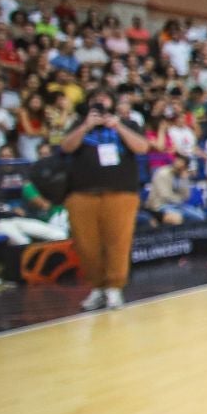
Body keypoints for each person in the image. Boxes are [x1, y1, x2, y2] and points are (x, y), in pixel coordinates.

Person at [60, 87, 149, 311]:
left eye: (105, 98)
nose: (100, 101)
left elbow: (142, 147)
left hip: (121, 193)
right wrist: (86, 126)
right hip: (82, 194)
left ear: (113, 102)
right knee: (86, 245)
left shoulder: (127, 123)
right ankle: (97, 287)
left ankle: (114, 288)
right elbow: (66, 146)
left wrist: (117, 126)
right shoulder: (79, 123)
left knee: (118, 242)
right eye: (95, 98)